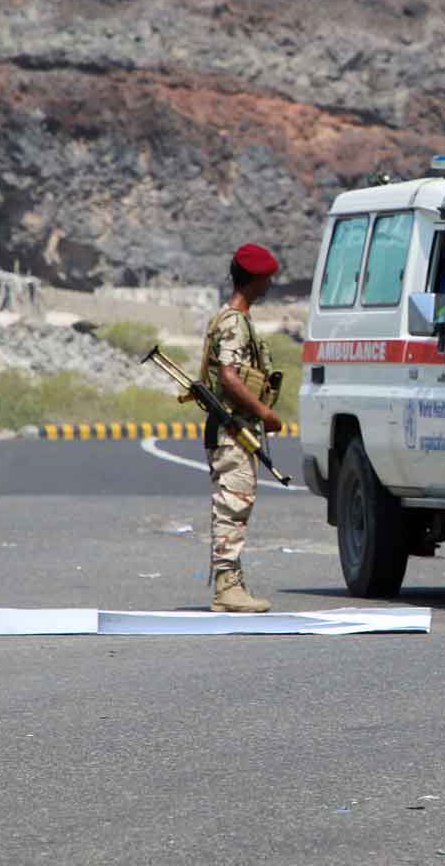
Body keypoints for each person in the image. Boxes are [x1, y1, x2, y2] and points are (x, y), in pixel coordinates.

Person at [199, 242, 284, 614]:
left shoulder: (229, 318)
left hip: (234, 430)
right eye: (267, 279)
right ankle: (227, 588)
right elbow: (230, 378)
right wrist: (265, 412)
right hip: (232, 430)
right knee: (232, 505)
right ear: (256, 279)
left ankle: (231, 582)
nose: (270, 284)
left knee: (235, 503)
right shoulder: (234, 322)